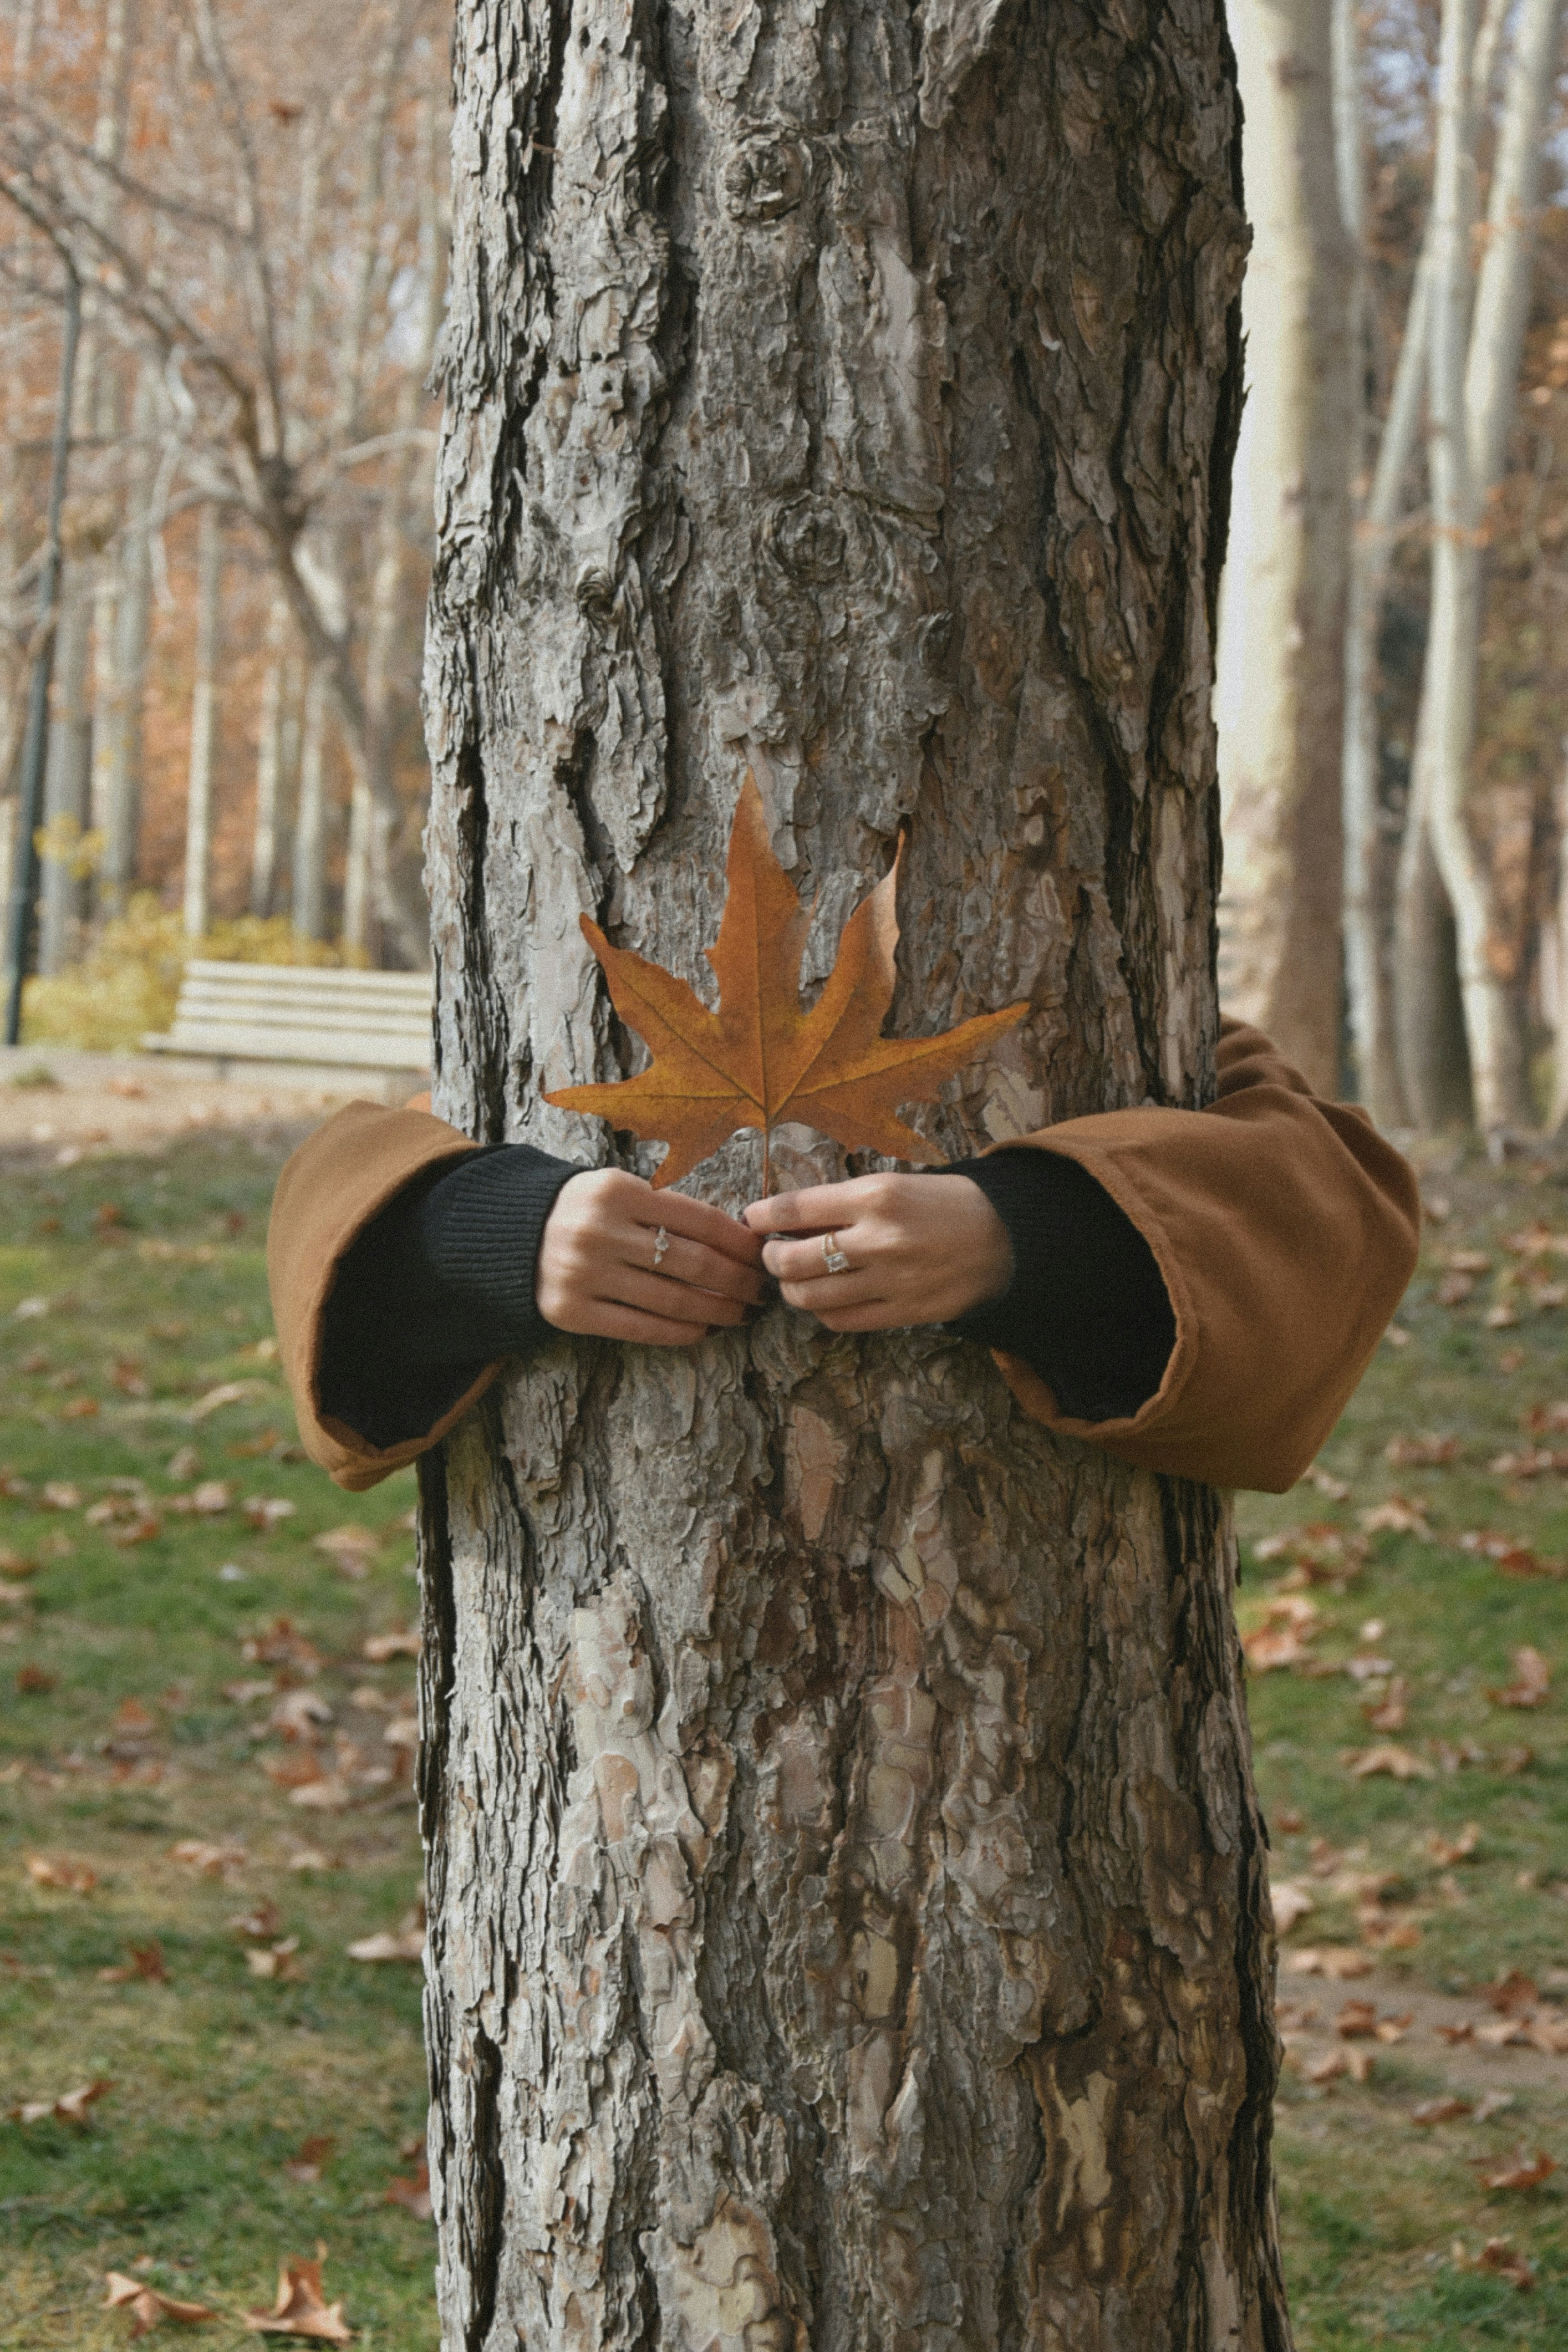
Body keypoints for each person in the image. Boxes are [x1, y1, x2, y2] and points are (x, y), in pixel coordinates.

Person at [267, 1018, 1419, 1497]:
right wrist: (489, 1235)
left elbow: (1329, 1222)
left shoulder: (1133, 1000)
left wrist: (1031, 1235)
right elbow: (335, 1209)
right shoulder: (540, 1016)